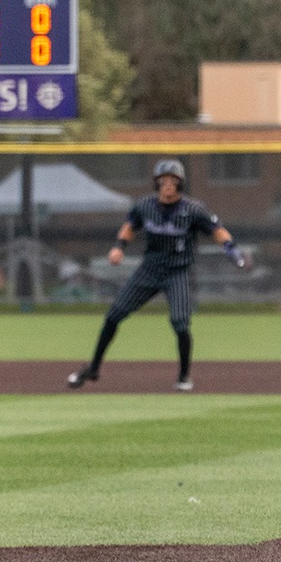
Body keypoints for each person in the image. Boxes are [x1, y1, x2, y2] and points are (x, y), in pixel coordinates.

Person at [66, 159, 250, 393]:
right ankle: (93, 368)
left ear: (180, 184)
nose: (168, 185)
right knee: (113, 316)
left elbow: (217, 230)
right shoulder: (145, 206)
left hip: (178, 271)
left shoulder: (193, 209)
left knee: (180, 324)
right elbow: (130, 225)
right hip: (149, 270)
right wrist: (119, 246)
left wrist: (232, 251)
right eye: (163, 181)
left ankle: (184, 376)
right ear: (157, 183)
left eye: (173, 181)